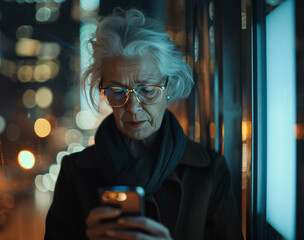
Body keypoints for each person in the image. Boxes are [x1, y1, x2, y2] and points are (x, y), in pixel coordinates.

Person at [45, 8, 243, 240]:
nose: (132, 107)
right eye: (117, 92)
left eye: (147, 90)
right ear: (104, 93)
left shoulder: (208, 173)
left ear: (168, 87)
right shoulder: (75, 172)